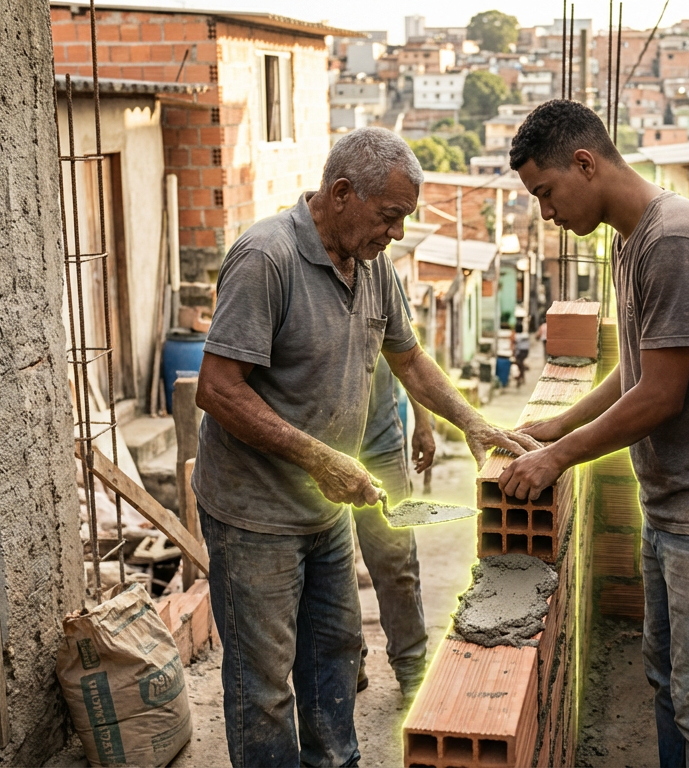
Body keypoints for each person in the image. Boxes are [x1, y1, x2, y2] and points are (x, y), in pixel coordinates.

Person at [193, 127, 538, 767]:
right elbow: (216, 389)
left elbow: (409, 360)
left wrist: (472, 420)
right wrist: (322, 459)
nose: (399, 234)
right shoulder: (266, 259)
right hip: (254, 518)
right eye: (390, 217)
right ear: (343, 193)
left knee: (334, 651)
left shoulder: (373, 267)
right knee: (263, 686)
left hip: (323, 514)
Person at [496, 100, 689, 767]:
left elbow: (660, 396)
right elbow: (640, 366)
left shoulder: (672, 241)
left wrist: (559, 459)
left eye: (546, 193)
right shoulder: (633, 240)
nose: (546, 213)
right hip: (677, 506)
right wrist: (558, 423)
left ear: (584, 162)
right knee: (669, 683)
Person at [353, 345, 436, 701]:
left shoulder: (383, 286)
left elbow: (408, 354)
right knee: (327, 564)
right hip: (314, 448)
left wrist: (424, 420)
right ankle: (347, 661)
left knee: (396, 559)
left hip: (380, 445)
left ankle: (412, 667)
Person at [514, 323, 531, 387]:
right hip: (525, 352)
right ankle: (522, 378)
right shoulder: (525, 335)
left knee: (519, 364)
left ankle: (519, 377)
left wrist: (515, 353)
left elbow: (516, 346)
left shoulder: (516, 336)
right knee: (521, 364)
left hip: (520, 352)